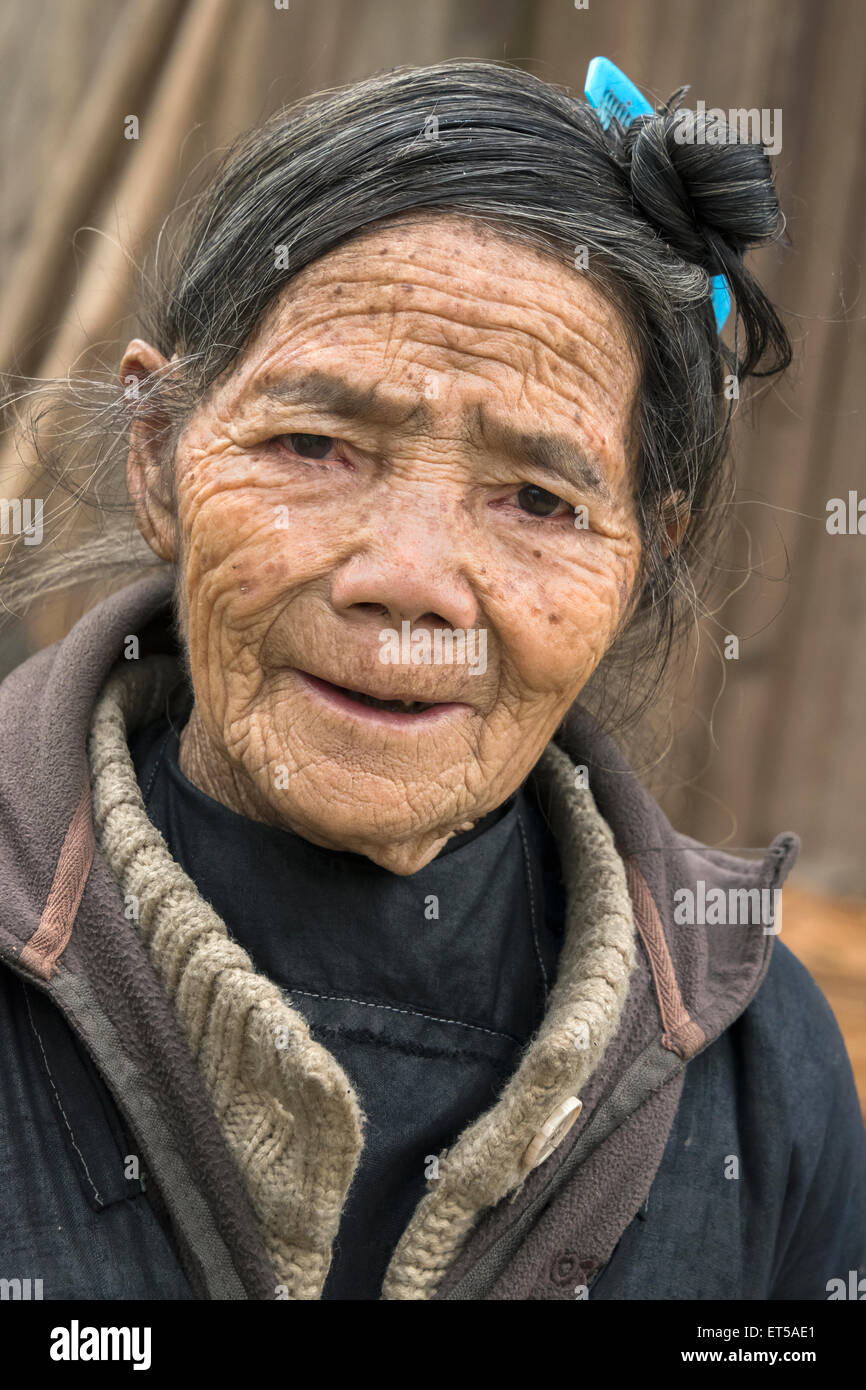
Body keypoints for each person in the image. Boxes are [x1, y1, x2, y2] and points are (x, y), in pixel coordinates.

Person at [0, 59, 863, 1301]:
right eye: (313, 444)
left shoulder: (754, 1056)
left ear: (641, 562)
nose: (408, 581)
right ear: (159, 457)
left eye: (537, 501)